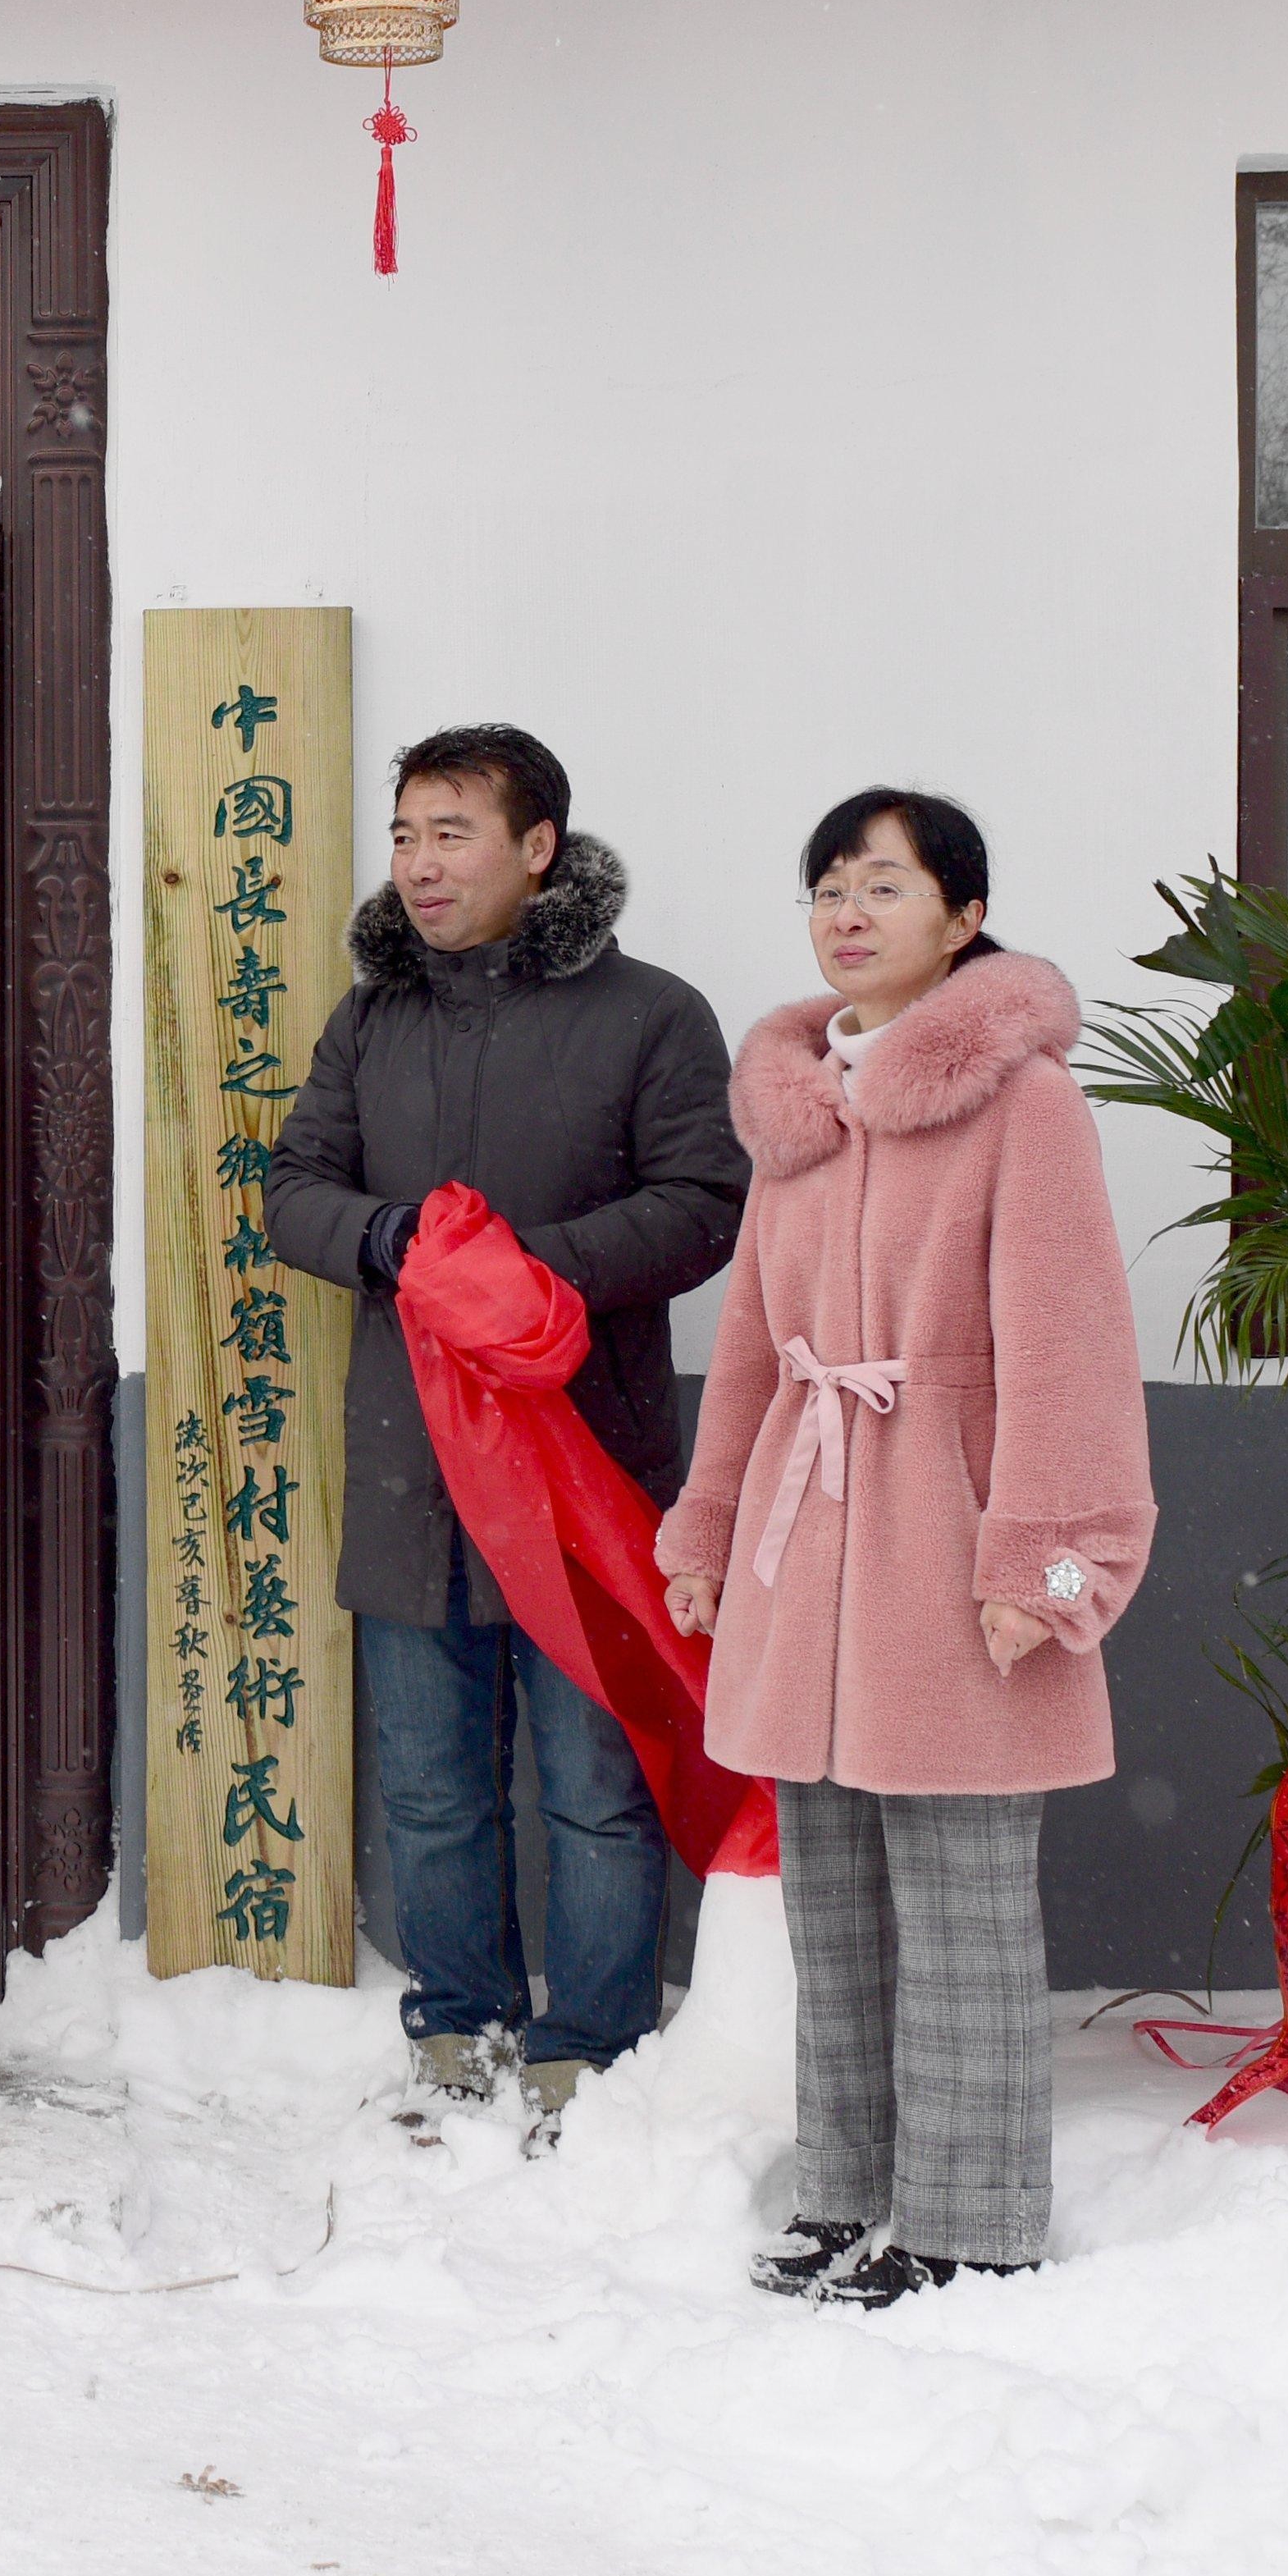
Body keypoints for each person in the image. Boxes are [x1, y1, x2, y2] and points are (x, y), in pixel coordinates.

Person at [659, 790, 1154, 2308]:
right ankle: (849, 2193)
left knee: (957, 1899)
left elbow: (1068, 1351)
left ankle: (968, 2216)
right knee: (833, 1891)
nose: (846, 914)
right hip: (810, 1547)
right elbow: (751, 1345)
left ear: (961, 913)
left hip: (949, 1541)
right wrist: (711, 1524)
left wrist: (1046, 1568)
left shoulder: (1024, 1102)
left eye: (883, 884)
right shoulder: (800, 1111)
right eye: (825, 888)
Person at [264, 725, 747, 2122]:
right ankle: (455, 2021)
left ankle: (588, 2036)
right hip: (412, 1459)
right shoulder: (372, 1016)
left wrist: (530, 1278)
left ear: (537, 850)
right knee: (428, 1784)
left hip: (582, 1463)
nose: (418, 864)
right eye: (406, 834)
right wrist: (401, 1239)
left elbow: (704, 1203)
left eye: (450, 833)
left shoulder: (650, 1013)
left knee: (593, 1778)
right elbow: (294, 1187)